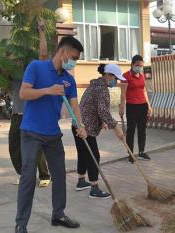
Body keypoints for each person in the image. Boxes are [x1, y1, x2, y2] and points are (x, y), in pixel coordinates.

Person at [14, 36, 87, 233]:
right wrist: (48, 90)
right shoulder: (36, 67)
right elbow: (24, 94)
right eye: (73, 57)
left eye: (76, 60)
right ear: (63, 52)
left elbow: (74, 106)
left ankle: (58, 215)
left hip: (53, 134)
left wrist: (80, 125)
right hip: (31, 132)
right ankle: (21, 223)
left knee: (60, 175)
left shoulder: (68, 79)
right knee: (28, 176)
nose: (74, 62)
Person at [8, 20, 51, 187]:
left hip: (32, 115)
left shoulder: (34, 71)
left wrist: (41, 31)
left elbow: (43, 54)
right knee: (15, 147)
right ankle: (25, 174)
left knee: (36, 147)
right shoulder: (14, 73)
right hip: (16, 115)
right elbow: (5, 65)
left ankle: (44, 175)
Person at [73, 64, 125, 199]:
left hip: (77, 124)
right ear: (108, 75)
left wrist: (102, 122)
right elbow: (103, 111)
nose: (116, 82)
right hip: (86, 127)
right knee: (93, 155)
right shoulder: (102, 88)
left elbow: (93, 106)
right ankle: (94, 188)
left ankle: (81, 181)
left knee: (83, 153)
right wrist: (116, 128)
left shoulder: (94, 85)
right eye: (115, 78)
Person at [119, 55, 152, 163]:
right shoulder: (125, 76)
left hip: (143, 105)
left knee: (142, 130)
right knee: (131, 130)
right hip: (132, 106)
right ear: (132, 64)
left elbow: (144, 91)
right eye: (137, 65)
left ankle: (141, 151)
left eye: (141, 66)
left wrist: (149, 105)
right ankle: (131, 154)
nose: (139, 67)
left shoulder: (142, 76)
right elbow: (123, 94)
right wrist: (122, 108)